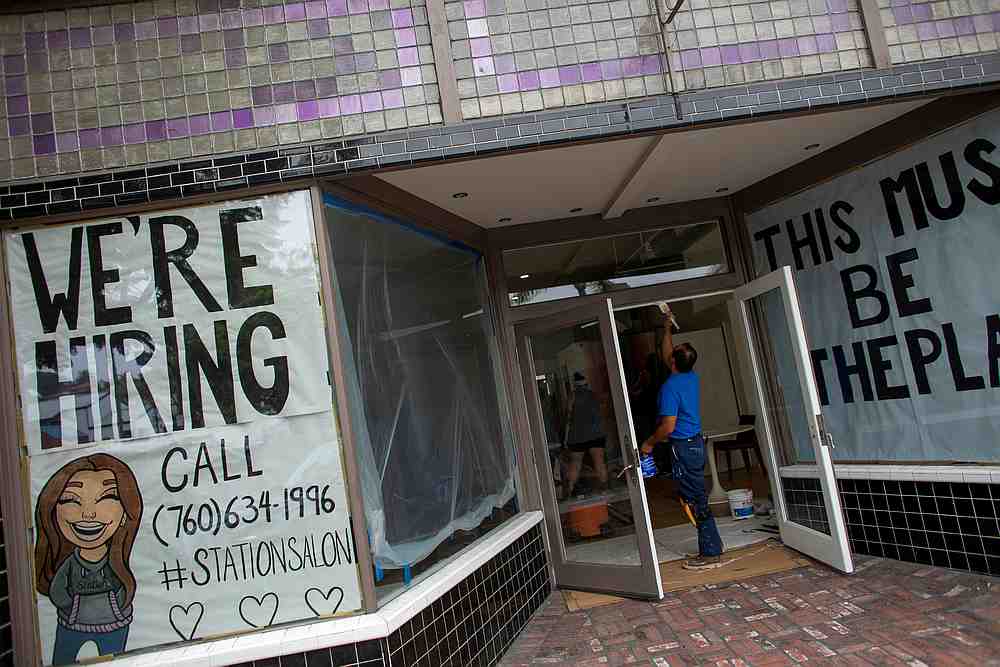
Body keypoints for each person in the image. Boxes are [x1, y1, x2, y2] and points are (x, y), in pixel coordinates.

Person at [34, 453, 143, 665]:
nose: (89, 515)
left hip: (114, 625)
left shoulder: (116, 562)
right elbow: (57, 590)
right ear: (53, 510)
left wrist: (120, 604)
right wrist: (70, 605)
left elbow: (123, 586)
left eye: (107, 498)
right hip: (73, 624)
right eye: (71, 499)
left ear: (126, 512)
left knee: (117, 661)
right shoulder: (70, 564)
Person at [639, 308, 724, 570]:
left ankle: (710, 552)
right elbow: (669, 352)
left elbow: (668, 426)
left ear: (673, 363)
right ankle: (714, 544)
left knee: (694, 499)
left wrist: (649, 444)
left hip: (684, 448)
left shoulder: (670, 387)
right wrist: (666, 327)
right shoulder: (689, 377)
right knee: (694, 495)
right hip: (693, 444)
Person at [563, 372, 608, 498]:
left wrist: (565, 438)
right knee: (599, 461)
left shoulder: (572, 396)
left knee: (575, 463)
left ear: (575, 385)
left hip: (577, 435)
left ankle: (570, 489)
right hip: (596, 434)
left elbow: (568, 416)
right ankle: (604, 489)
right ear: (586, 383)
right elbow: (602, 409)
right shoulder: (594, 395)